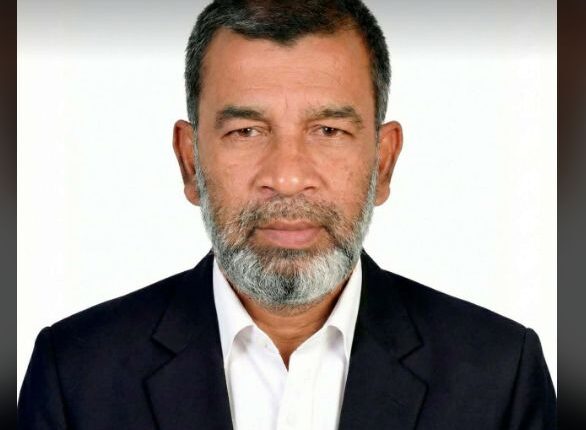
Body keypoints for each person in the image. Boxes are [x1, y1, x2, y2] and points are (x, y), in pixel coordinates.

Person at [18, 0, 556, 429]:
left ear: (383, 162)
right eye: (246, 131)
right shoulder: (75, 374)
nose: (288, 176)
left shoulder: (499, 375)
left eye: (328, 131)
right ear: (190, 162)